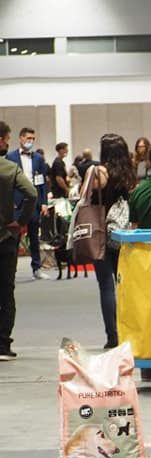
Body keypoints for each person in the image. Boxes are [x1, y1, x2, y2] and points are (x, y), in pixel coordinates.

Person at [83, 133, 137, 349]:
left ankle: (112, 336)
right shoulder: (129, 174)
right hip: (122, 232)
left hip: (101, 232)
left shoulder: (99, 172)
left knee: (106, 285)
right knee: (124, 284)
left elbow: (83, 195)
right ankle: (130, 331)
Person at [0, 120, 38, 360]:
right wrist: (21, 220)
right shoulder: (10, 168)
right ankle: (3, 344)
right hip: (5, 236)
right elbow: (32, 194)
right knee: (6, 290)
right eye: (6, 139)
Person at [6, 127, 50, 280]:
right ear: (21, 138)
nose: (30, 141)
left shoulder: (38, 158)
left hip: (35, 203)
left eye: (33, 139)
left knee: (34, 237)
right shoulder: (10, 157)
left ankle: (37, 268)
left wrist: (44, 203)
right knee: (14, 237)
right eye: (28, 138)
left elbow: (43, 182)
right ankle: (11, 269)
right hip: (16, 203)